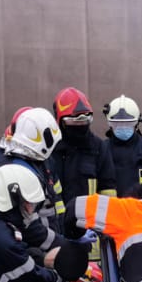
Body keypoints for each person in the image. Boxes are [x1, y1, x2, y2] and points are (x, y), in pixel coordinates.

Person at [0, 106, 65, 252]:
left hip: (41, 242)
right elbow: (28, 225)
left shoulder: (35, 160)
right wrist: (63, 245)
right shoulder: (12, 170)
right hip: (23, 247)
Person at [48, 87, 117, 236]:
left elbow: (108, 192)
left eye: (85, 120)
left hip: (90, 231)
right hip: (55, 232)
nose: (80, 125)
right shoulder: (49, 149)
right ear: (60, 121)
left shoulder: (99, 148)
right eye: (74, 120)